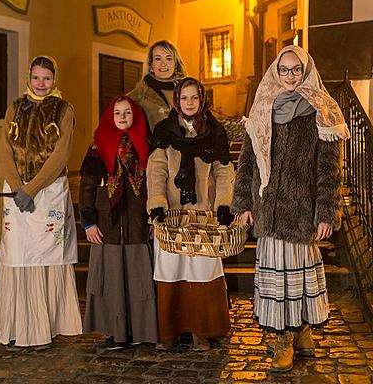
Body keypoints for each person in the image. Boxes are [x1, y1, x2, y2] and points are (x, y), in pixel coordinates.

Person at [232, 45, 349, 373]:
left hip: (301, 211)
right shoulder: (262, 107)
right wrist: (243, 202)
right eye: (284, 69)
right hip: (270, 210)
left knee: (298, 279)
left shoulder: (322, 110)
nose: (290, 76)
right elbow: (248, 159)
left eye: (296, 69)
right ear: (275, 71)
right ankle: (287, 337)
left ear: (307, 70)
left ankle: (298, 334)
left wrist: (326, 211)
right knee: (276, 280)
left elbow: (330, 168)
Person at [0, 55, 82, 351]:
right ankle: (19, 325)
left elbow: (61, 153)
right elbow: (5, 149)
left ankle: (45, 327)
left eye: (46, 78)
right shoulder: (15, 108)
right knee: (18, 256)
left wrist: (32, 189)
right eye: (36, 78)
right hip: (18, 194)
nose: (41, 84)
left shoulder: (64, 110)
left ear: (54, 79)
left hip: (47, 192)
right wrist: (19, 188)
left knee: (44, 256)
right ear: (28, 78)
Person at [147, 77, 235, 351]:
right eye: (184, 98)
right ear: (177, 101)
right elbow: (157, 170)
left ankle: (201, 331)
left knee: (202, 270)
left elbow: (223, 171)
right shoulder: (164, 131)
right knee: (170, 269)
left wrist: (223, 203)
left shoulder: (214, 131)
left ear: (202, 100)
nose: (189, 103)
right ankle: (169, 331)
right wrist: (157, 203)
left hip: (202, 214)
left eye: (194, 98)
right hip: (171, 215)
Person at [79, 95, 158, 350]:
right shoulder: (97, 147)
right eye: (117, 113)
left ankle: (140, 328)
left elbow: (153, 185)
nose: (123, 117)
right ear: (109, 117)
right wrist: (89, 222)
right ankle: (114, 331)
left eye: (127, 112)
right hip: (108, 227)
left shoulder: (145, 146)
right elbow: (87, 188)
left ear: (135, 116)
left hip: (137, 225)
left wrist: (154, 216)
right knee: (111, 280)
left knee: (138, 279)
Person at [129, 39, 186, 132]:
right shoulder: (138, 95)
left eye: (169, 58)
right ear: (151, 64)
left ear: (175, 63)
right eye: (158, 58)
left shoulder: (187, 90)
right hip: (155, 146)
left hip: (187, 146)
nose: (163, 64)